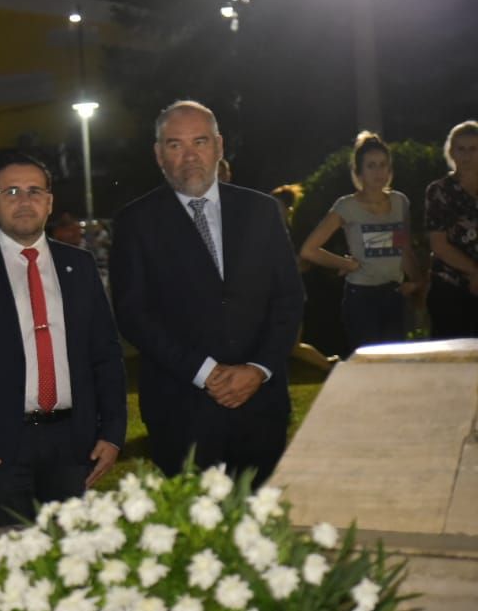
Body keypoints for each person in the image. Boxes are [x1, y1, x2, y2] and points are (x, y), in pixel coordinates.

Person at [110, 100, 304, 486]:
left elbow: (288, 299)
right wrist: (205, 372)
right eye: (175, 144)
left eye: (199, 142)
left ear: (218, 146)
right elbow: (134, 314)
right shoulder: (136, 222)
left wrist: (259, 369)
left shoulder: (262, 211)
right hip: (181, 410)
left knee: (262, 520)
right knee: (194, 522)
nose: (189, 156)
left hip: (261, 406)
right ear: (158, 154)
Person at [0, 153, 127, 528]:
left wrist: (113, 433)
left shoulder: (79, 265)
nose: (24, 200)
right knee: (8, 557)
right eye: (11, 191)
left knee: (73, 553)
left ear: (49, 202)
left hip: (74, 443)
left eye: (34, 191)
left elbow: (105, 354)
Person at [299, 132, 422, 352]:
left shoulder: (400, 202)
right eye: (371, 166)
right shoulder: (347, 206)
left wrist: (416, 282)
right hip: (362, 297)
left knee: (395, 361)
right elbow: (309, 250)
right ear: (359, 172)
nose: (378, 172)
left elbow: (403, 247)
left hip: (394, 294)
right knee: (369, 363)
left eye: (383, 165)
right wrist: (346, 264)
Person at [424, 120, 478, 337]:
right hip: (450, 287)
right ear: (452, 152)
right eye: (461, 149)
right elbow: (439, 244)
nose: (467, 155)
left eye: (473, 149)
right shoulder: (439, 191)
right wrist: (474, 272)